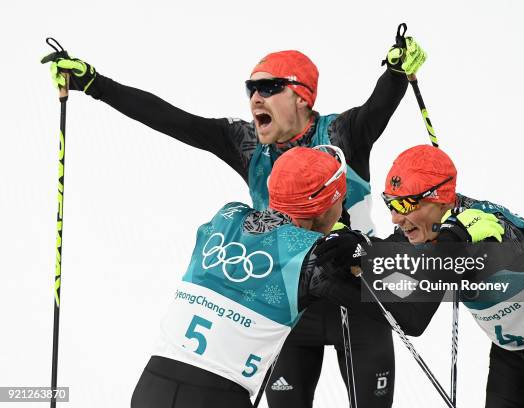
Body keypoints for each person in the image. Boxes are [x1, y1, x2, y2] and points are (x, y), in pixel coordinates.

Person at [42, 29, 427, 407]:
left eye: (270, 87)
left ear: (302, 97)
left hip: (355, 286)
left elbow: (381, 103)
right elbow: (174, 120)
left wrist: (396, 70)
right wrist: (94, 83)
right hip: (291, 298)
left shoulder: (343, 133)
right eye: (251, 89)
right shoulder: (246, 145)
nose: (256, 97)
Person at [130, 146, 441, 408]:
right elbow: (410, 317)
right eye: (340, 199)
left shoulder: (228, 215)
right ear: (328, 206)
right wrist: (364, 253)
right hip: (216, 398)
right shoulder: (313, 262)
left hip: (151, 385)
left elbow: (277, 232)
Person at [314, 145, 524, 408]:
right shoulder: (428, 229)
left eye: (405, 205)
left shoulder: (476, 227)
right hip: (511, 363)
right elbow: (396, 262)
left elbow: (413, 313)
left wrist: (342, 277)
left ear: (439, 199)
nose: (395, 217)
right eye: (390, 203)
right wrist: (356, 247)